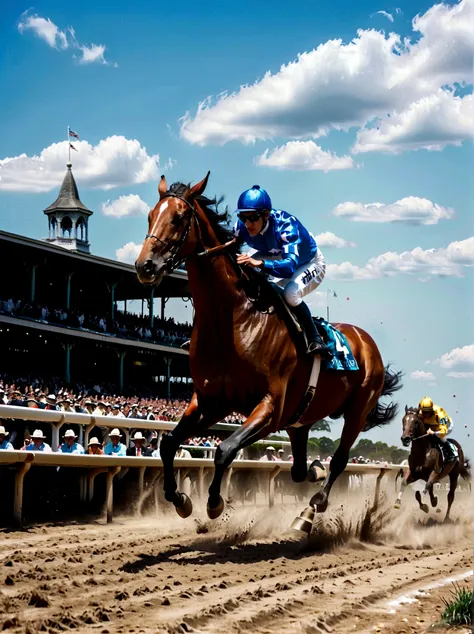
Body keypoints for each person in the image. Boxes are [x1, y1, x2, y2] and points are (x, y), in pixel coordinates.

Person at [234, 185, 331, 357]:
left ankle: (315, 338)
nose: (247, 224)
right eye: (243, 217)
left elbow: (288, 268)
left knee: (290, 294)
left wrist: (260, 264)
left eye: (253, 218)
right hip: (275, 255)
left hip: (308, 262)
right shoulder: (241, 227)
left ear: (265, 215)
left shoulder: (286, 226)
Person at [418, 397, 457, 464]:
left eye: (427, 412)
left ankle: (450, 452)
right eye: (424, 412)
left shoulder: (440, 414)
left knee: (440, 437)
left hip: (446, 426)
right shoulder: (420, 413)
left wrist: (434, 433)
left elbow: (443, 432)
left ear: (431, 410)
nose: (425, 414)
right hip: (432, 425)